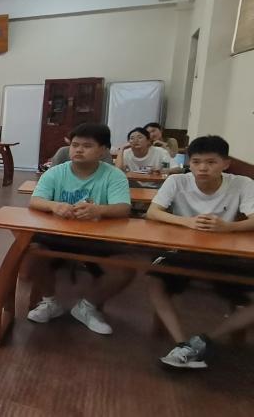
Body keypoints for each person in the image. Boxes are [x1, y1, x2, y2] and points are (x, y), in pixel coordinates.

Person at [144, 136, 254, 369]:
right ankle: (181, 343)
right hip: (182, 251)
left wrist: (228, 227)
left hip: (225, 254)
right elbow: (153, 212)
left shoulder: (241, 183)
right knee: (154, 281)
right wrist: (187, 222)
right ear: (189, 162)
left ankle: (204, 340)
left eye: (211, 162)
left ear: (225, 163)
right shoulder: (177, 181)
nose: (203, 168)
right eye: (196, 162)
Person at [25, 122, 136, 335]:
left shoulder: (114, 175)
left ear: (103, 150)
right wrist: (54, 205)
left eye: (87, 146)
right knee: (30, 254)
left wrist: (99, 210)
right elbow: (35, 200)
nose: (78, 150)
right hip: (58, 235)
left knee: (125, 268)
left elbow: (123, 208)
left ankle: (87, 307)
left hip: (99, 237)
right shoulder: (56, 172)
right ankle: (50, 302)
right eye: (75, 145)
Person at [115, 127, 181, 187]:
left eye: (140, 137)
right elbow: (116, 172)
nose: (136, 140)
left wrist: (161, 170)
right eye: (132, 138)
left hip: (155, 188)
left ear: (148, 141)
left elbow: (177, 169)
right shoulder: (125, 153)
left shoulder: (160, 152)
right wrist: (122, 149)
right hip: (132, 187)